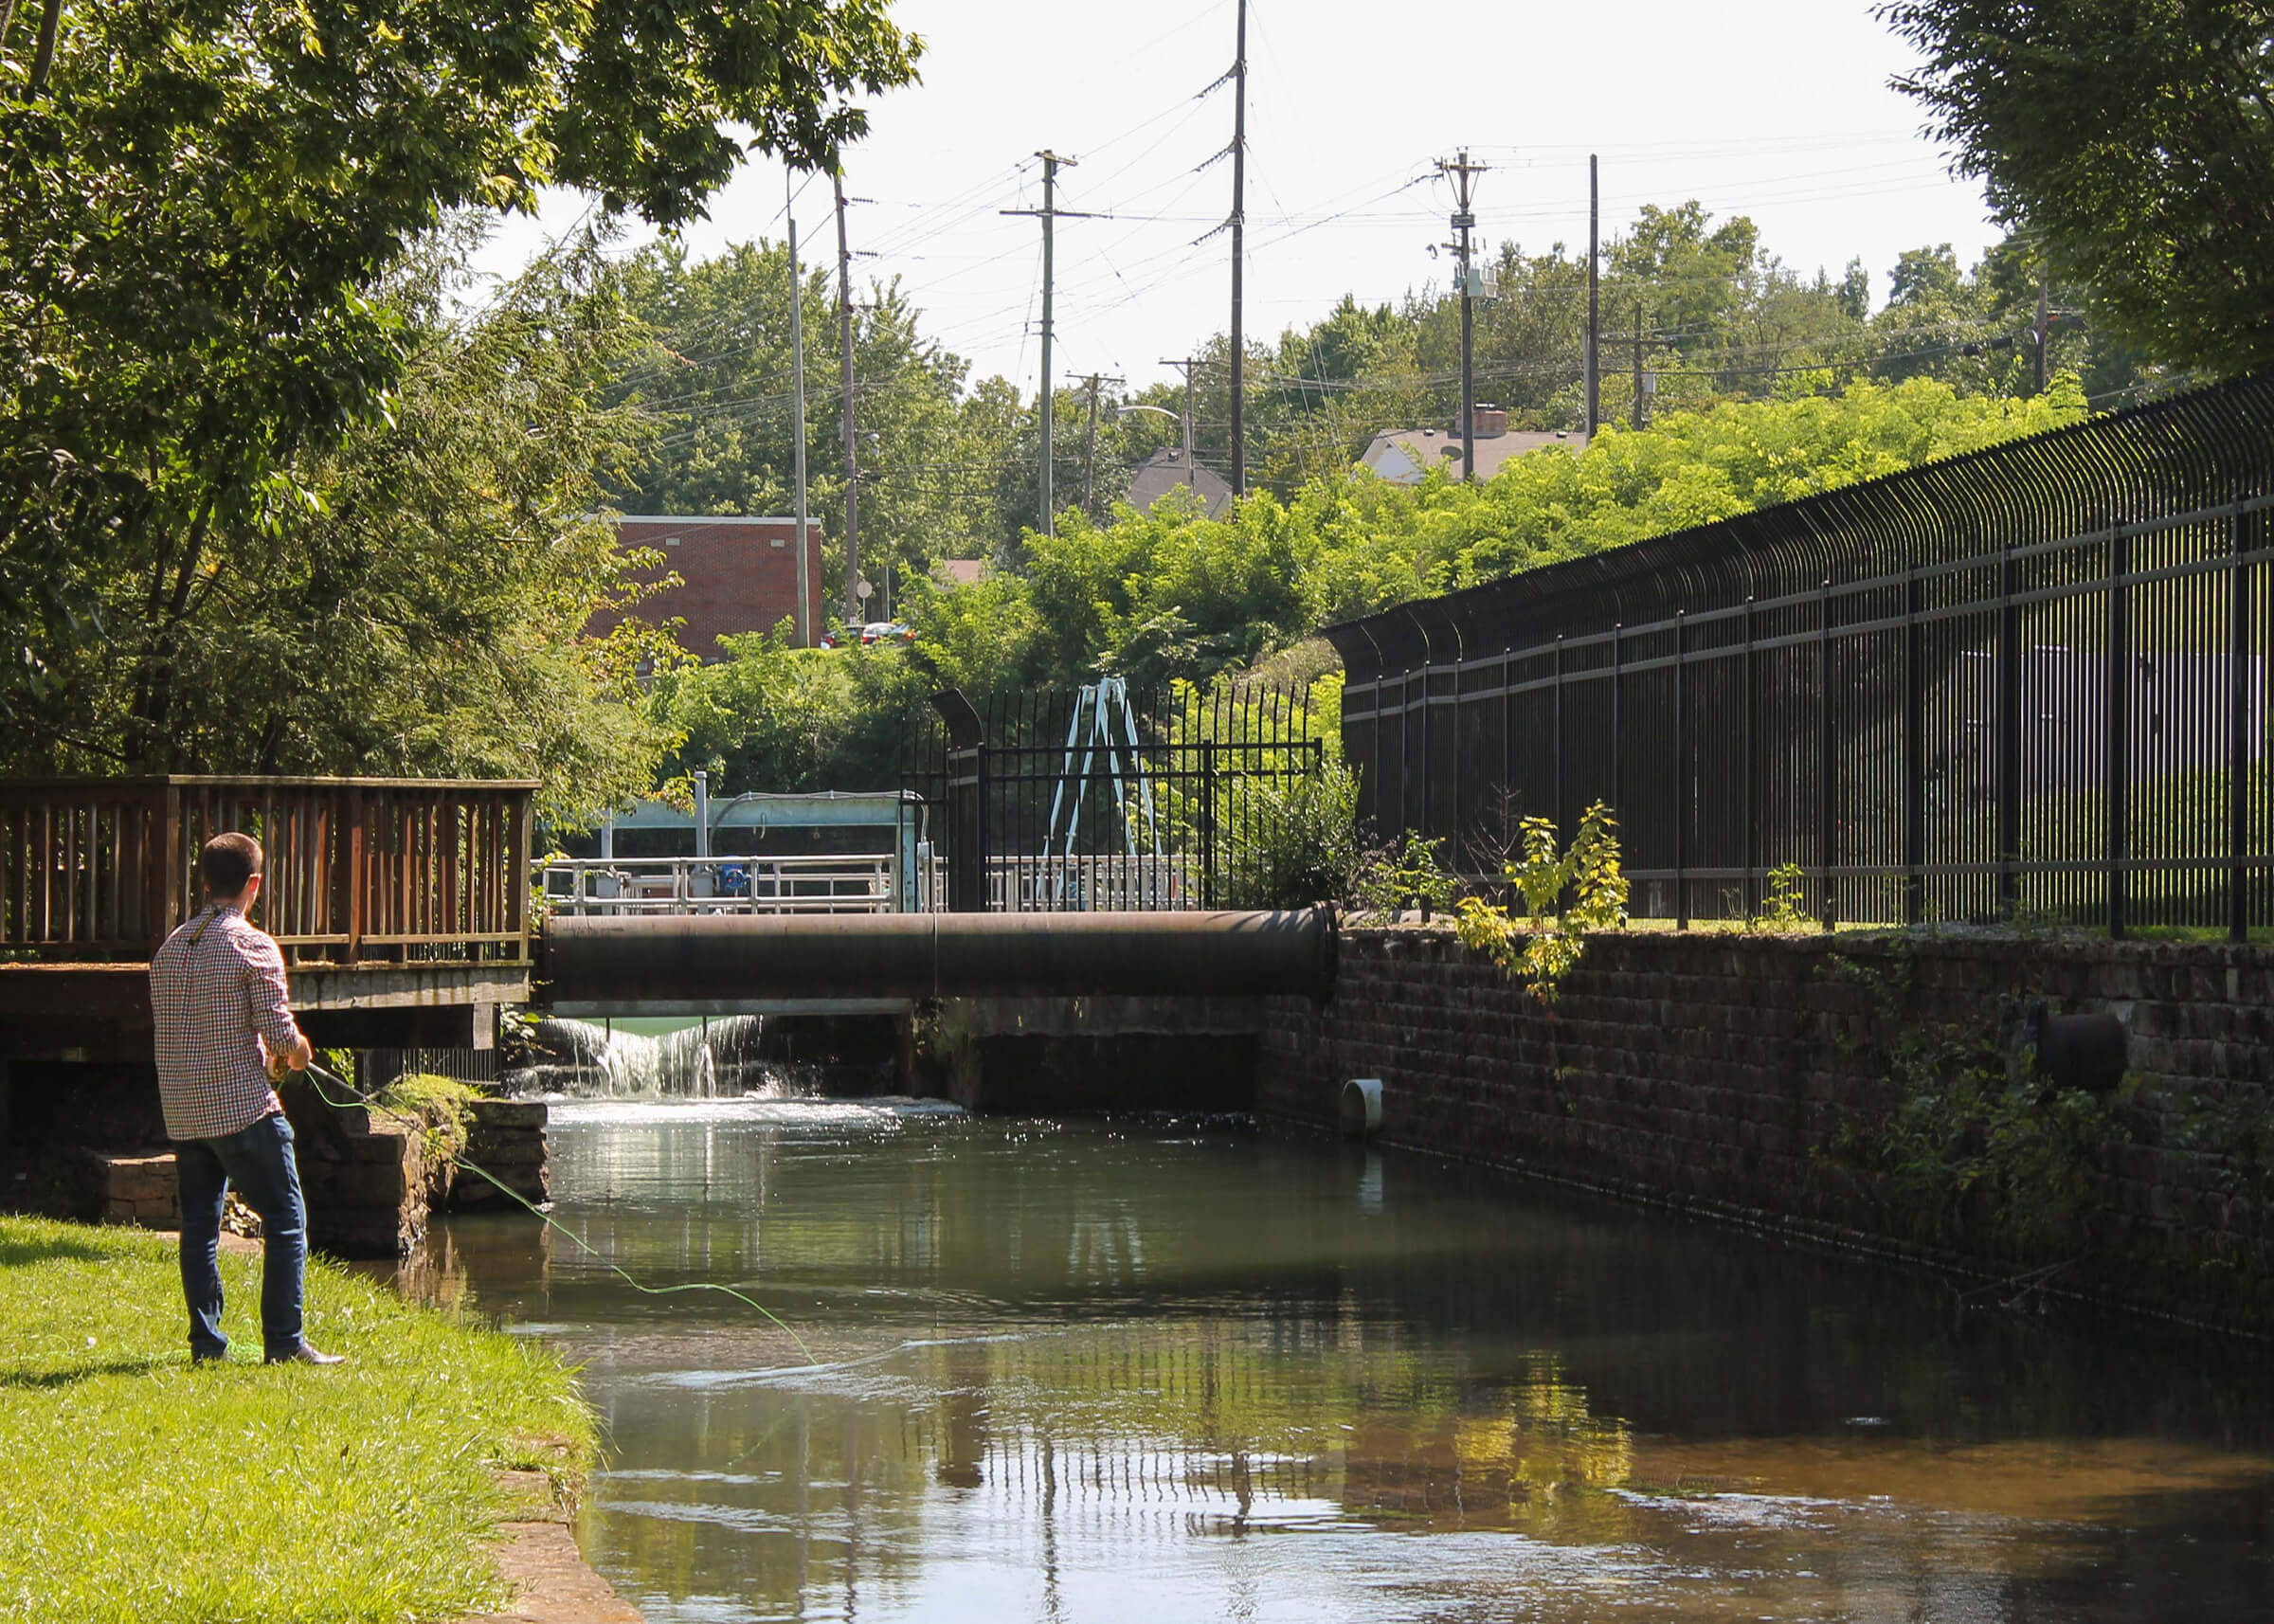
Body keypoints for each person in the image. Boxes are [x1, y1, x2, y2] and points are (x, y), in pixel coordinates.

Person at [149, 832, 345, 1367]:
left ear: (206, 881)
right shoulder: (253, 945)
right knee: (286, 1218)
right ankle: (284, 1343)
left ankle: (207, 1346)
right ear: (253, 884)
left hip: (185, 1114)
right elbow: (283, 1041)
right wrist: (299, 1053)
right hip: (242, 1112)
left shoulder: (169, 949)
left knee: (199, 1229)